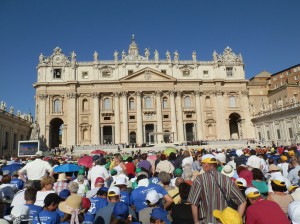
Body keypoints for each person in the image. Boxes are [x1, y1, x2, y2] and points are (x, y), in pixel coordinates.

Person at [187, 154, 246, 224]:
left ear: (206, 165)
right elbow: (242, 202)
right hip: (223, 221)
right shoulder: (227, 180)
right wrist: (235, 220)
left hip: (206, 221)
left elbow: (194, 203)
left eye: (202, 165)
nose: (202, 167)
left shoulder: (199, 180)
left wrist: (196, 222)